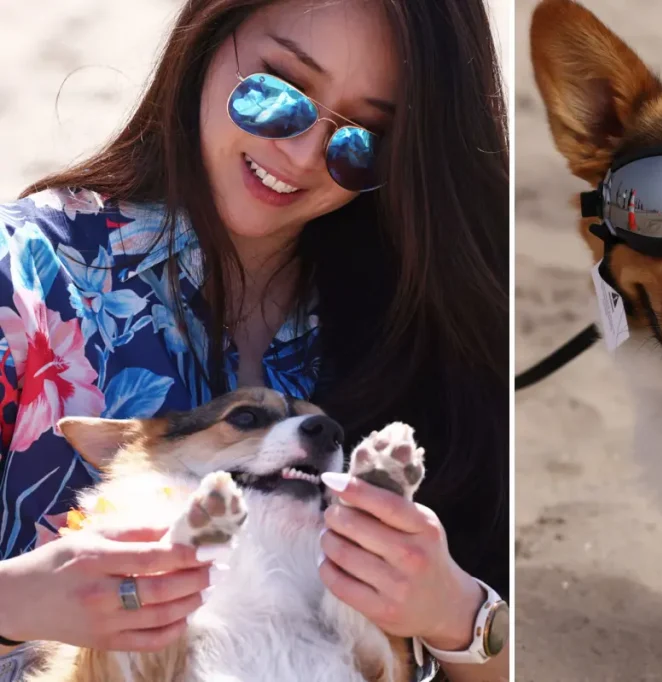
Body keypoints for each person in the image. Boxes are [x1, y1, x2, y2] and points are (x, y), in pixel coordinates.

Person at [0, 1, 509, 680]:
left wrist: (461, 618)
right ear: (207, 36)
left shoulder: (438, 332)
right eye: (277, 92)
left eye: (362, 140)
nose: (300, 155)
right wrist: (14, 604)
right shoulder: (26, 279)